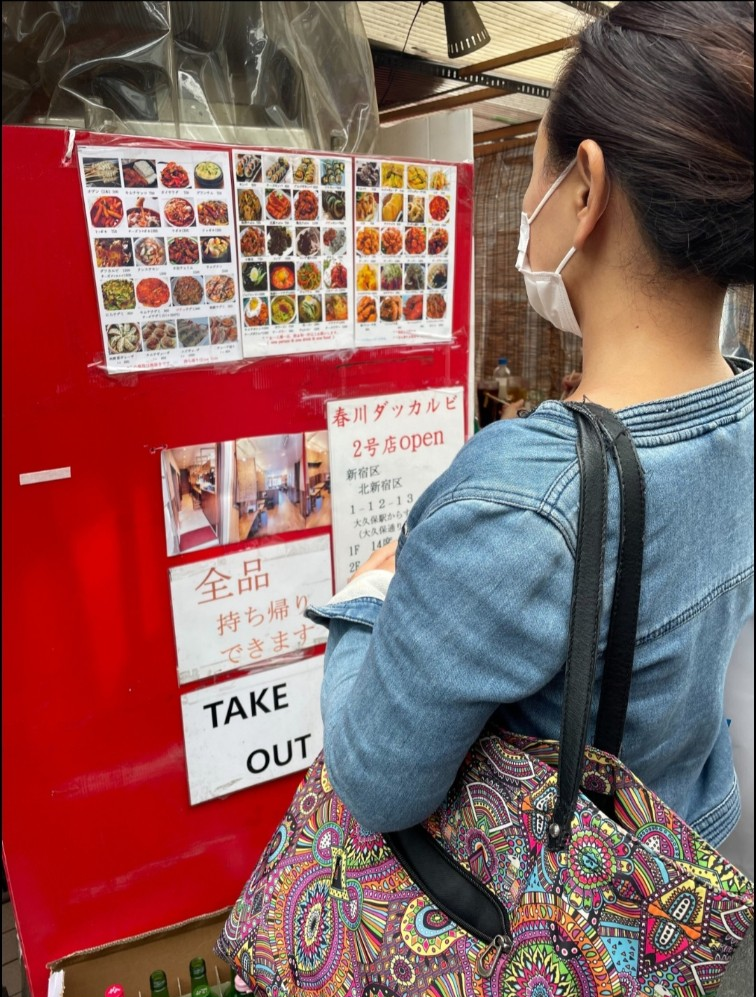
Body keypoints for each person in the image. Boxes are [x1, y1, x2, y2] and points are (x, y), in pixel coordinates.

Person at [307, 0, 754, 846]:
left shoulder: (521, 498)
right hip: (678, 887)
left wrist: (368, 597)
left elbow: (375, 779)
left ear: (585, 187)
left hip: (539, 926)